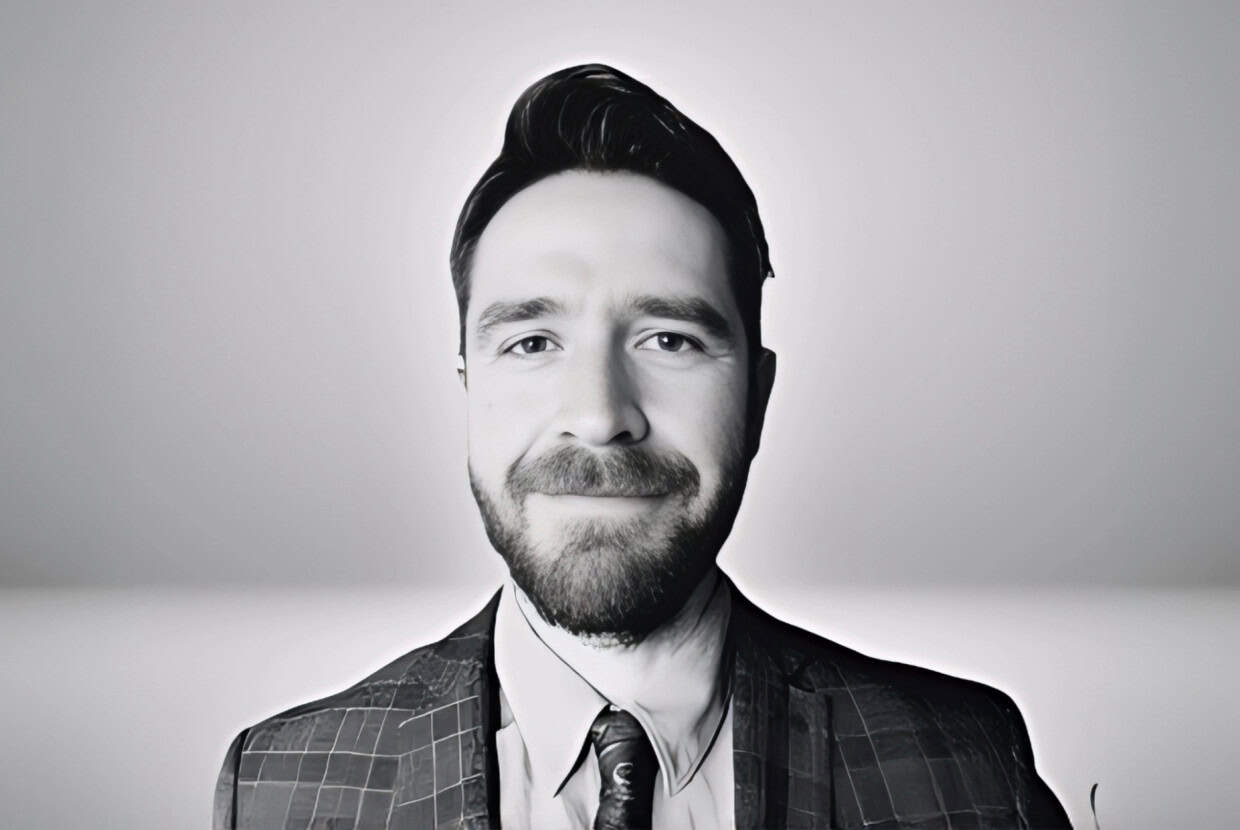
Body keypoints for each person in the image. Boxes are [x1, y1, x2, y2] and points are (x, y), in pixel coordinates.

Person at [214, 63, 1070, 830]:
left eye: (669, 340)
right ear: (469, 384)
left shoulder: (970, 771)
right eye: (532, 343)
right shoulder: (279, 787)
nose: (599, 415)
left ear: (758, 397)